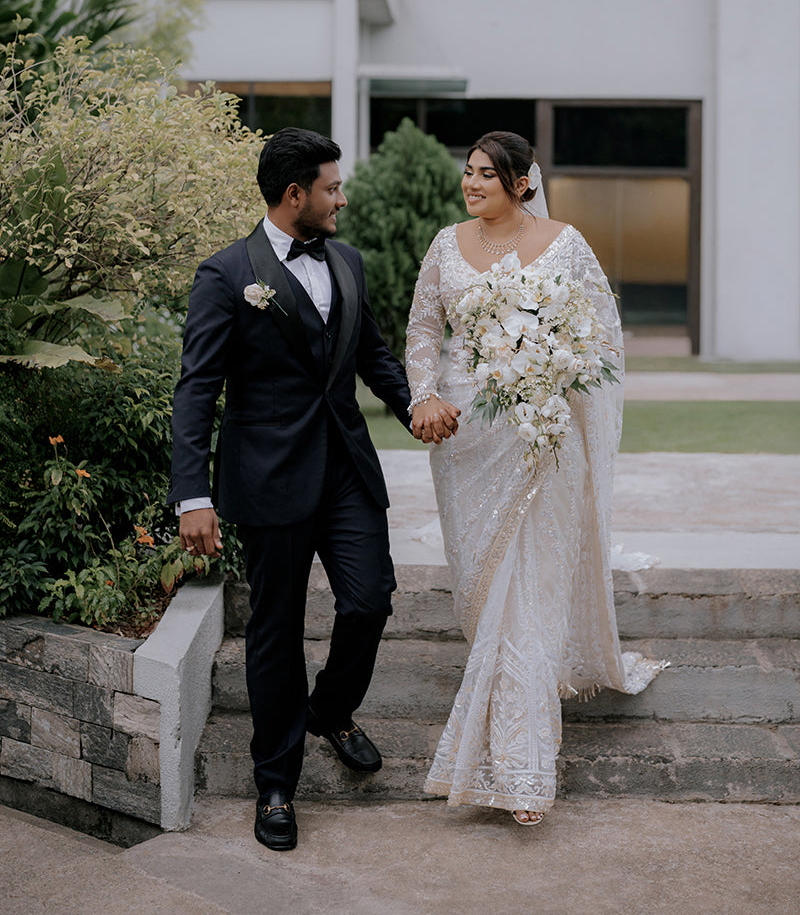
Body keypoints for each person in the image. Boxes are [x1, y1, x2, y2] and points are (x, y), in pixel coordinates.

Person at [169, 127, 457, 852]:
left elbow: (372, 355)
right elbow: (197, 388)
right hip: (267, 481)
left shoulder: (350, 263)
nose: (343, 197)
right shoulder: (227, 274)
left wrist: (416, 404)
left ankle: (330, 711)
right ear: (295, 194)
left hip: (347, 471)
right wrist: (191, 494)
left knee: (370, 600)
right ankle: (275, 785)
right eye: (332, 187)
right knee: (275, 633)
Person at [406, 130, 666, 826]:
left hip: (543, 437)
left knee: (527, 596)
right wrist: (422, 393)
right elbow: (424, 331)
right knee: (480, 586)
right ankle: (518, 707)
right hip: (466, 438)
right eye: (468, 173)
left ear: (523, 181)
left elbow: (600, 335)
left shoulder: (566, 243)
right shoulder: (444, 245)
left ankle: (522, 775)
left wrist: (556, 375)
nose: (473, 184)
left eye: (488, 174)